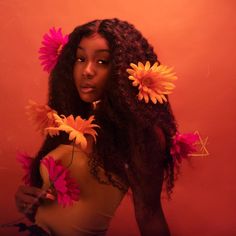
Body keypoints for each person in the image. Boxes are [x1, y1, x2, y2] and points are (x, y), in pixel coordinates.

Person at [15, 18, 178, 236]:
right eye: (80, 58)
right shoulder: (72, 118)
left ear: (125, 71)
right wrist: (26, 200)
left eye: (102, 61)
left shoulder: (140, 133)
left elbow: (149, 213)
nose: (87, 70)